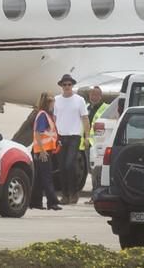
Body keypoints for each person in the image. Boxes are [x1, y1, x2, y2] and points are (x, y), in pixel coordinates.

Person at [53, 74, 89, 205]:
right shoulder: (57, 100)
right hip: (61, 137)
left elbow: (85, 118)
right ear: (61, 86)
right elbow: (54, 119)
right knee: (62, 167)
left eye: (69, 84)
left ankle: (74, 193)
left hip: (74, 136)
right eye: (64, 85)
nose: (67, 87)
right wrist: (53, 136)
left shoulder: (79, 100)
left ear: (72, 85)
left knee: (69, 165)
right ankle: (65, 195)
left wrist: (87, 136)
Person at [29, 92, 62, 211]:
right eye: (52, 102)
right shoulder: (43, 115)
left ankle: (35, 202)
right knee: (47, 177)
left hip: (41, 150)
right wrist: (43, 151)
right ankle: (52, 202)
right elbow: (38, 133)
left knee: (38, 178)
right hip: (43, 152)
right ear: (48, 103)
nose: (54, 104)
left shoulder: (45, 115)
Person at [85, 86, 109, 203]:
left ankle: (96, 196)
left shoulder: (106, 108)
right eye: (92, 95)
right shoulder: (87, 108)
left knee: (97, 171)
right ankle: (94, 195)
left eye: (96, 95)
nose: (93, 97)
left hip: (100, 144)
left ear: (100, 96)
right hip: (88, 144)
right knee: (91, 171)